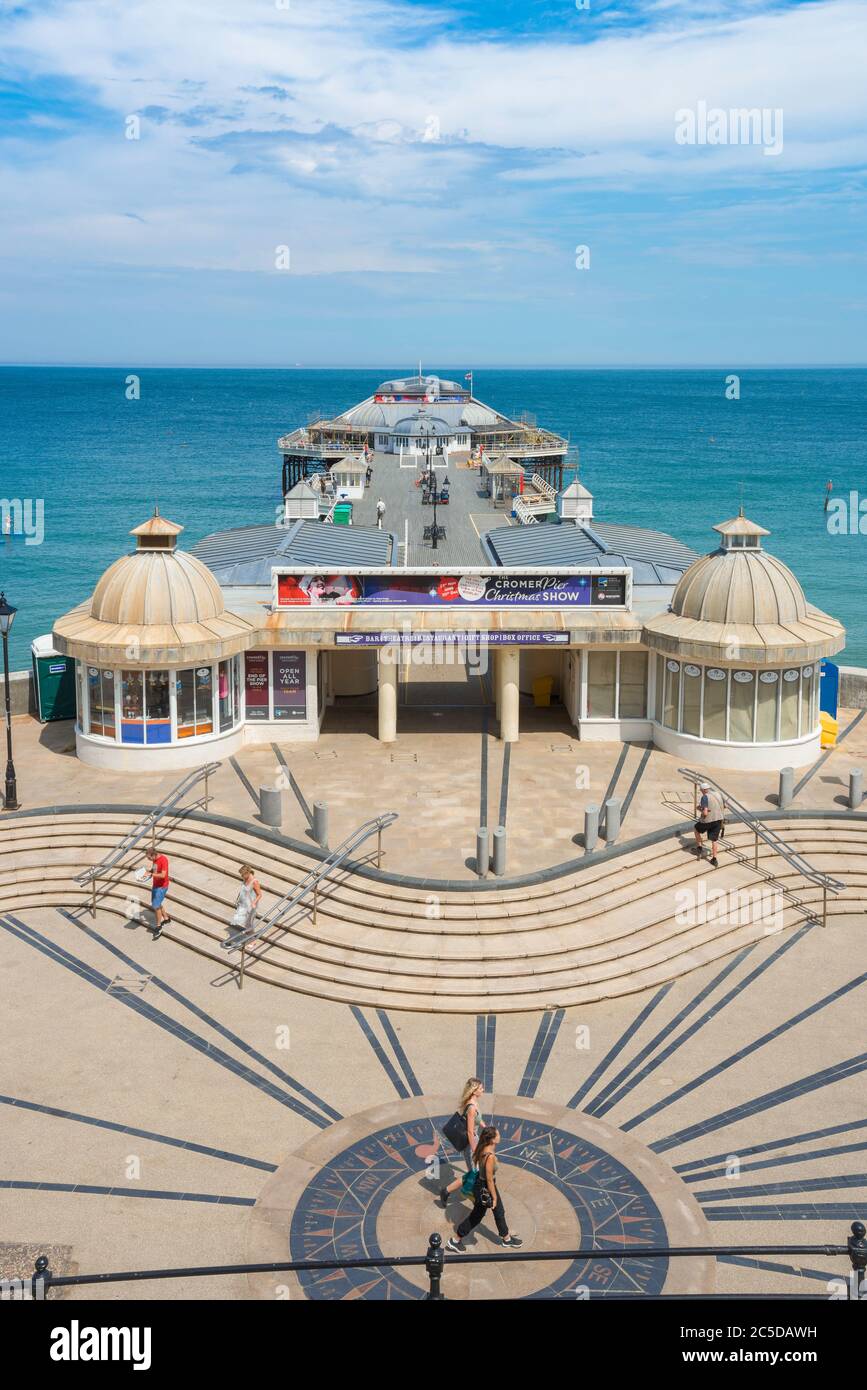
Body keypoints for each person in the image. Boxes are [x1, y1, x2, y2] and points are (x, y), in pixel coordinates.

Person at [447, 1128, 523, 1251]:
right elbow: (489, 1180)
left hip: (482, 1184)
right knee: (477, 1216)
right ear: (492, 1139)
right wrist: (494, 1197)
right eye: (498, 1134)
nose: (500, 1136)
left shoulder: (482, 1149)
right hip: (485, 1187)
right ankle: (455, 1240)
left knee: (499, 1211)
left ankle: (506, 1238)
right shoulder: (490, 1156)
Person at [439, 1078, 485, 1207]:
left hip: (475, 1141)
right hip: (471, 1144)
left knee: (476, 1172)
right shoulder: (471, 1107)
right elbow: (470, 1132)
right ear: (474, 1091)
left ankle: (474, 1194)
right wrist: (475, 1150)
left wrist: (485, 1127)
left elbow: (478, 1119)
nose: (483, 1090)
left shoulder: (475, 1103)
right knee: (474, 1173)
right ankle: (447, 1191)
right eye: (481, 1088)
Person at [694, 781, 726, 867]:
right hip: (719, 819)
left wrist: (699, 808)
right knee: (714, 840)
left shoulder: (705, 797)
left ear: (704, 790)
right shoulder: (719, 794)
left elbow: (705, 813)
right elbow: (725, 806)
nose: (701, 792)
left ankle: (699, 847)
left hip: (708, 820)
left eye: (701, 790)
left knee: (696, 829)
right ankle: (714, 859)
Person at [146, 846, 170, 938]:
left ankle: (158, 926)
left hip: (162, 886)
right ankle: (166, 918)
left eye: (149, 858)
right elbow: (154, 869)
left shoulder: (163, 860)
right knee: (157, 903)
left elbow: (163, 875)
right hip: (155, 885)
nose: (148, 859)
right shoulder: (154, 860)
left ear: (153, 855)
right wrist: (148, 872)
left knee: (156, 906)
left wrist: (151, 874)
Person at [231, 864, 262, 934]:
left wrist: (254, 903)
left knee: (249, 923)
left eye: (242, 875)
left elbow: (259, 894)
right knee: (246, 923)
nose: (241, 876)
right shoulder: (245, 879)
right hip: (244, 904)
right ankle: (250, 938)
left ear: (247, 873)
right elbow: (243, 890)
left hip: (251, 905)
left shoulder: (254, 882)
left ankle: (252, 941)